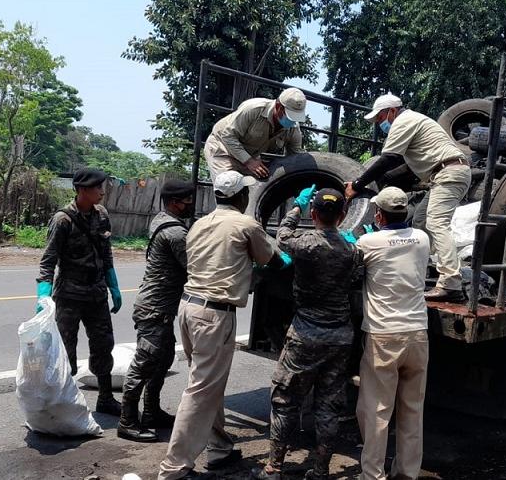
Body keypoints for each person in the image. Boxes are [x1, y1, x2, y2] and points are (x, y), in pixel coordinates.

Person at [159, 171, 289, 480]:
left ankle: (218, 447)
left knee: (206, 383)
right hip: (214, 315)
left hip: (189, 309)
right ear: (242, 197)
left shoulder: (199, 224)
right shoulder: (246, 225)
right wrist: (284, 259)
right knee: (201, 390)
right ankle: (174, 469)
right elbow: (272, 260)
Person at [252, 187, 362, 480]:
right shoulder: (352, 249)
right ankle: (321, 470)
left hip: (306, 335)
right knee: (329, 405)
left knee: (286, 401)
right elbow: (356, 278)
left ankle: (274, 467)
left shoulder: (305, 244)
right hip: (340, 336)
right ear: (342, 216)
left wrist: (295, 208)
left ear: (314, 213)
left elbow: (281, 236)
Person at [345, 93, 471, 303]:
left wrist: (357, 185)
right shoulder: (413, 121)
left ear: (392, 111)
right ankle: (420, 273)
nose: (379, 124)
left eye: (380, 118)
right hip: (444, 173)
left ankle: (451, 283)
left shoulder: (404, 121)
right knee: (421, 222)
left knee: (437, 223)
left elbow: (388, 158)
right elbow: (402, 166)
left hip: (448, 173)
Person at [355, 187, 431, 480]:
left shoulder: (368, 241)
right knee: (412, 409)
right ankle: (406, 473)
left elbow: (353, 264)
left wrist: (365, 235)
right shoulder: (422, 239)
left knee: (376, 410)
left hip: (383, 336)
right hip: (417, 334)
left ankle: (372, 474)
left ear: (378, 215)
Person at [36, 167, 123, 416]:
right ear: (82, 190)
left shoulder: (101, 215)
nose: (102, 192)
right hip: (69, 296)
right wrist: (43, 294)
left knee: (103, 345)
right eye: (97, 187)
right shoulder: (62, 219)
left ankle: (106, 398)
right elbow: (48, 261)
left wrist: (113, 285)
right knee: (66, 351)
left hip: (96, 293)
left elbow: (106, 253)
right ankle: (65, 402)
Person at [118, 180, 195, 442]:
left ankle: (151, 413)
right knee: (144, 364)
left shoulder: (161, 220)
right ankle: (127, 420)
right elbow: (194, 267)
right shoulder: (176, 234)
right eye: (187, 202)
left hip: (157, 308)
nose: (190, 206)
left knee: (161, 362)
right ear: (174, 202)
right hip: (155, 309)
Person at [204, 87, 307, 181]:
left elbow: (296, 157)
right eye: (290, 116)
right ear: (278, 106)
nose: (292, 121)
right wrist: (249, 162)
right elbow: (228, 136)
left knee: (261, 187)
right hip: (222, 147)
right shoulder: (253, 109)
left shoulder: (293, 129)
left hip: (250, 156)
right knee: (228, 185)